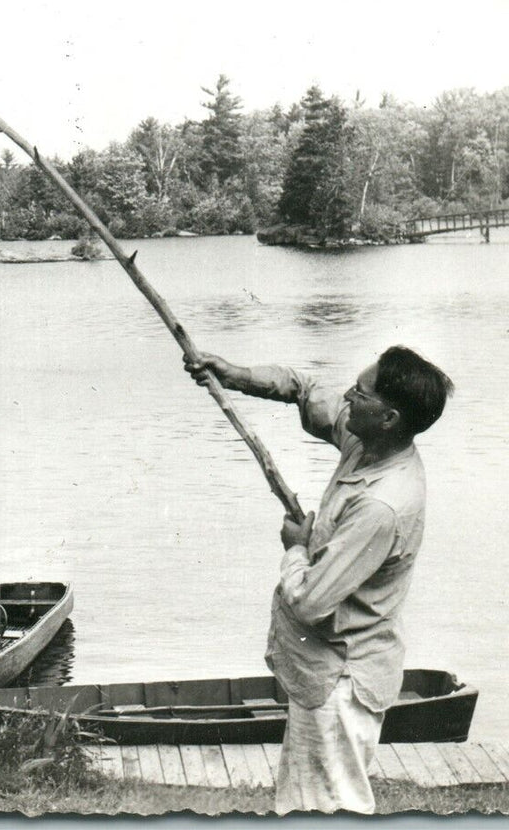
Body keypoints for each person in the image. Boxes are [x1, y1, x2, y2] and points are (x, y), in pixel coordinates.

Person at [184, 346, 453, 814]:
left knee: (331, 807)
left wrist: (294, 547)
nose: (347, 397)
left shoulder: (382, 506)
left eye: (360, 393)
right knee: (305, 805)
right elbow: (303, 388)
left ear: (388, 417)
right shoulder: (362, 440)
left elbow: (309, 603)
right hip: (323, 672)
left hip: (341, 683)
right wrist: (232, 374)